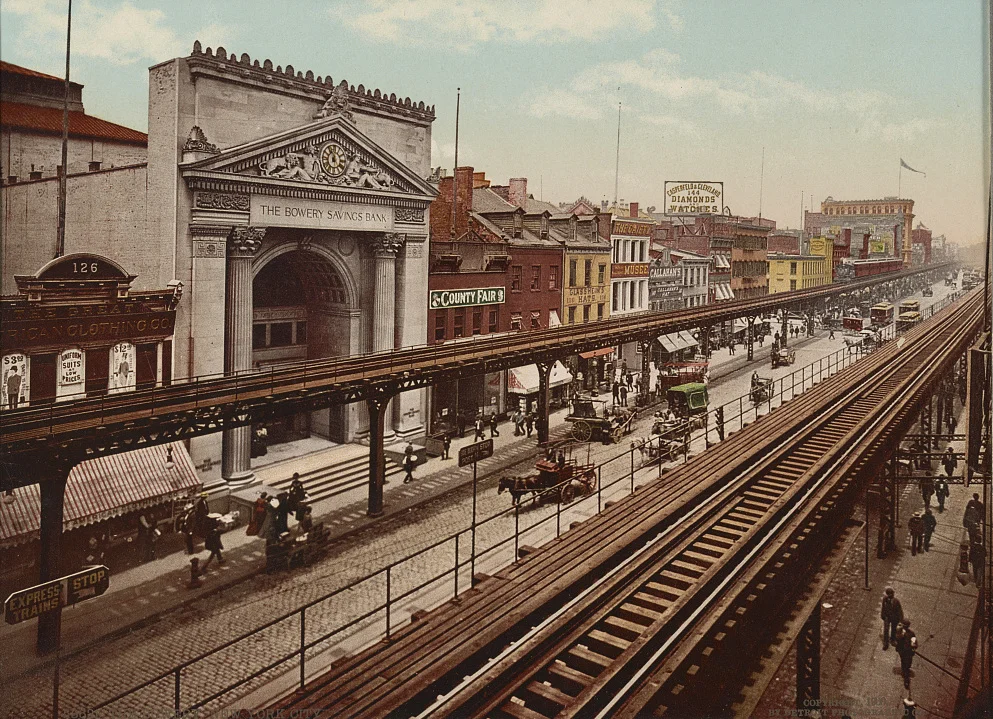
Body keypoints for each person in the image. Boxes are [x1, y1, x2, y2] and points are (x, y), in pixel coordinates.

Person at [895, 619, 918, 690]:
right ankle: (906, 676)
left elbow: (914, 642)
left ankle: (905, 670)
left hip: (907, 652)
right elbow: (897, 640)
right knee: (905, 663)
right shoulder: (901, 633)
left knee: (906, 663)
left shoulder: (910, 633)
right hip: (905, 652)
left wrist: (914, 646)